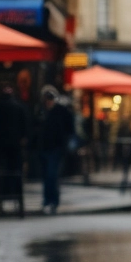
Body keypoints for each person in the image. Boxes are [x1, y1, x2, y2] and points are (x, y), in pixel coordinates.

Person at [38, 85, 74, 214]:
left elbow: (69, 128)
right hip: (44, 148)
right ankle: (48, 200)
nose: (48, 101)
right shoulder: (41, 112)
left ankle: (52, 201)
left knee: (51, 175)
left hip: (56, 148)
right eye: (46, 98)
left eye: (50, 98)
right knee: (47, 176)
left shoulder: (60, 111)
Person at [0, 86, 27, 201]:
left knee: (0, 168)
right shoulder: (18, 107)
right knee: (15, 169)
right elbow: (24, 125)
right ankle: (15, 192)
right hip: (15, 144)